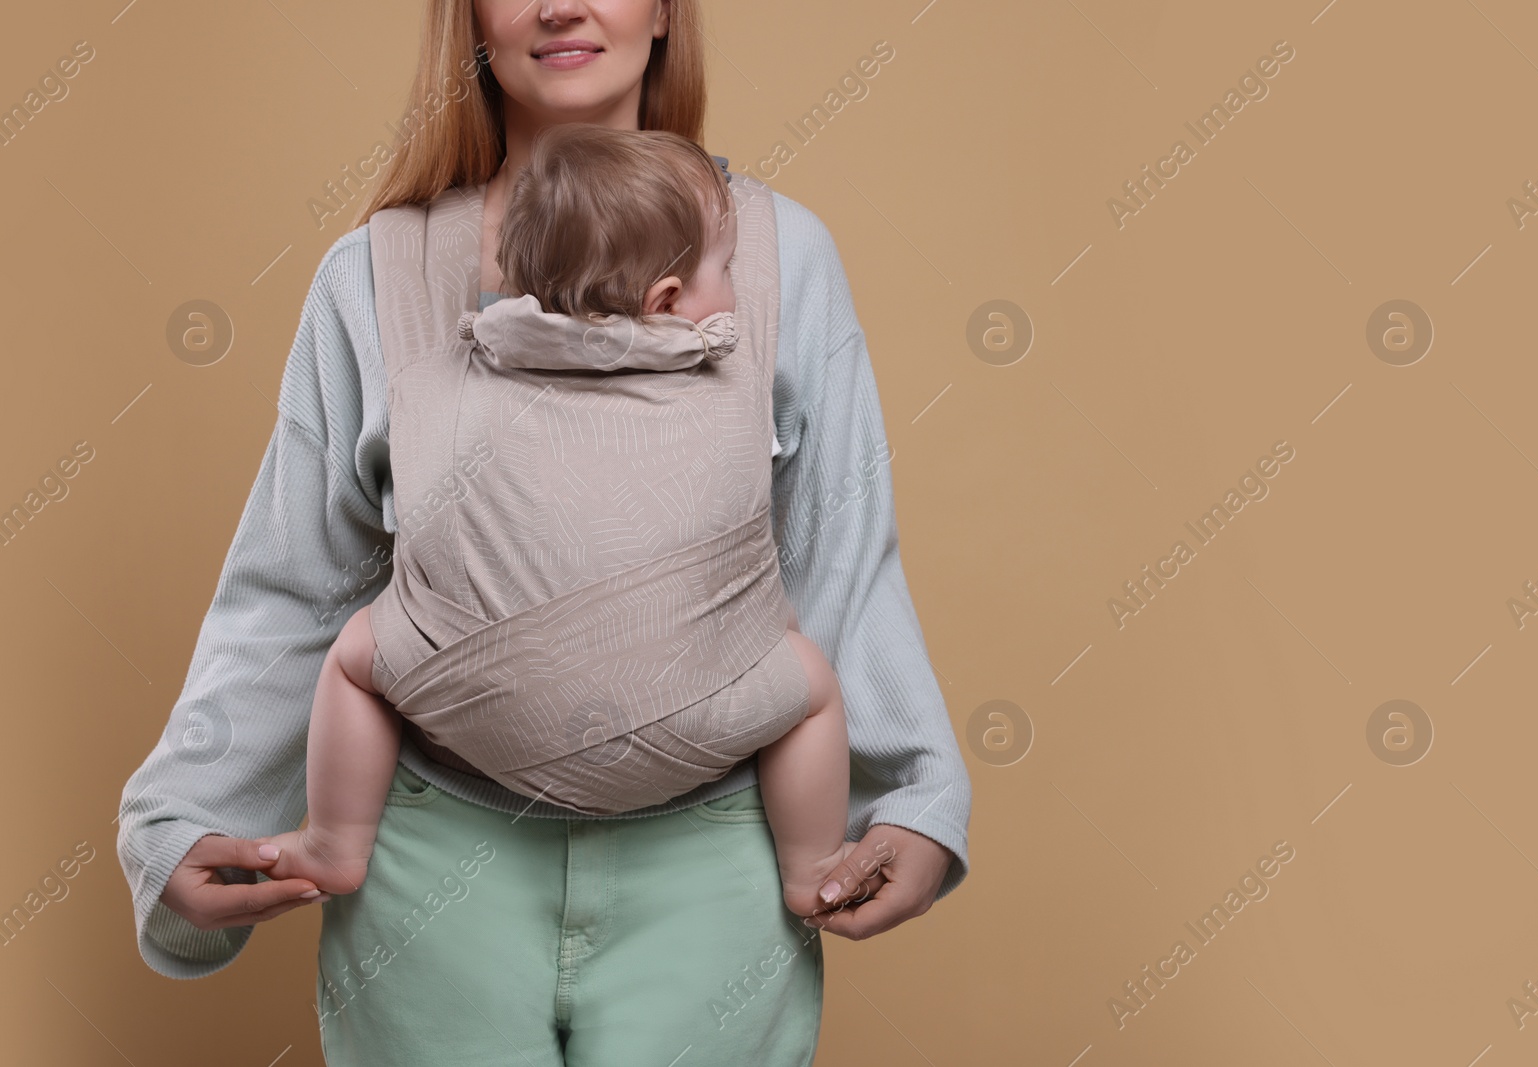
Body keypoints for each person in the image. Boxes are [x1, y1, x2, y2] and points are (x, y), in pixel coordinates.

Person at [117, 1, 971, 1063]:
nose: (560, 2)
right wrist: (186, 813)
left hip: (714, 870)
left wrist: (917, 797)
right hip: (429, 871)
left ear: (664, 9)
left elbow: (837, 551)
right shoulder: (372, 275)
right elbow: (296, 588)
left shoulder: (784, 255)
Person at [263, 122, 853, 920]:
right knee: (812, 684)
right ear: (667, 302)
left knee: (355, 654)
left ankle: (336, 841)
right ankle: (811, 865)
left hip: (478, 722)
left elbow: (303, 572)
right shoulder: (723, 379)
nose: (737, 293)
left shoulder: (453, 370)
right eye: (724, 270)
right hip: (698, 729)